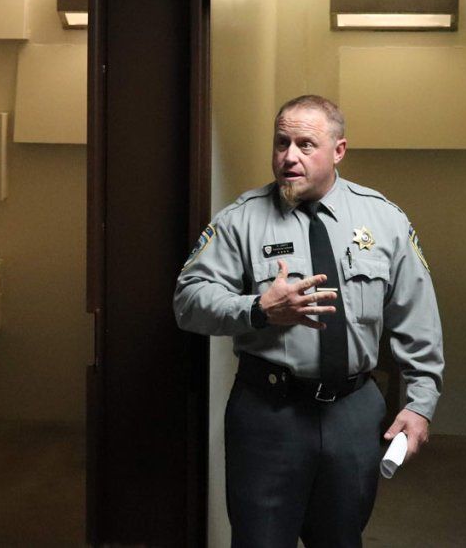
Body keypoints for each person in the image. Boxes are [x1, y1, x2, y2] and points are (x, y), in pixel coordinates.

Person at [174, 94, 443, 548]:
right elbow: (188, 300)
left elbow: (417, 318)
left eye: (305, 144)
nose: (289, 157)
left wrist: (420, 403)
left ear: (338, 150)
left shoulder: (385, 219)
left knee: (340, 539)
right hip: (268, 413)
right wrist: (258, 309)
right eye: (281, 143)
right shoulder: (241, 220)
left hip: (353, 413)